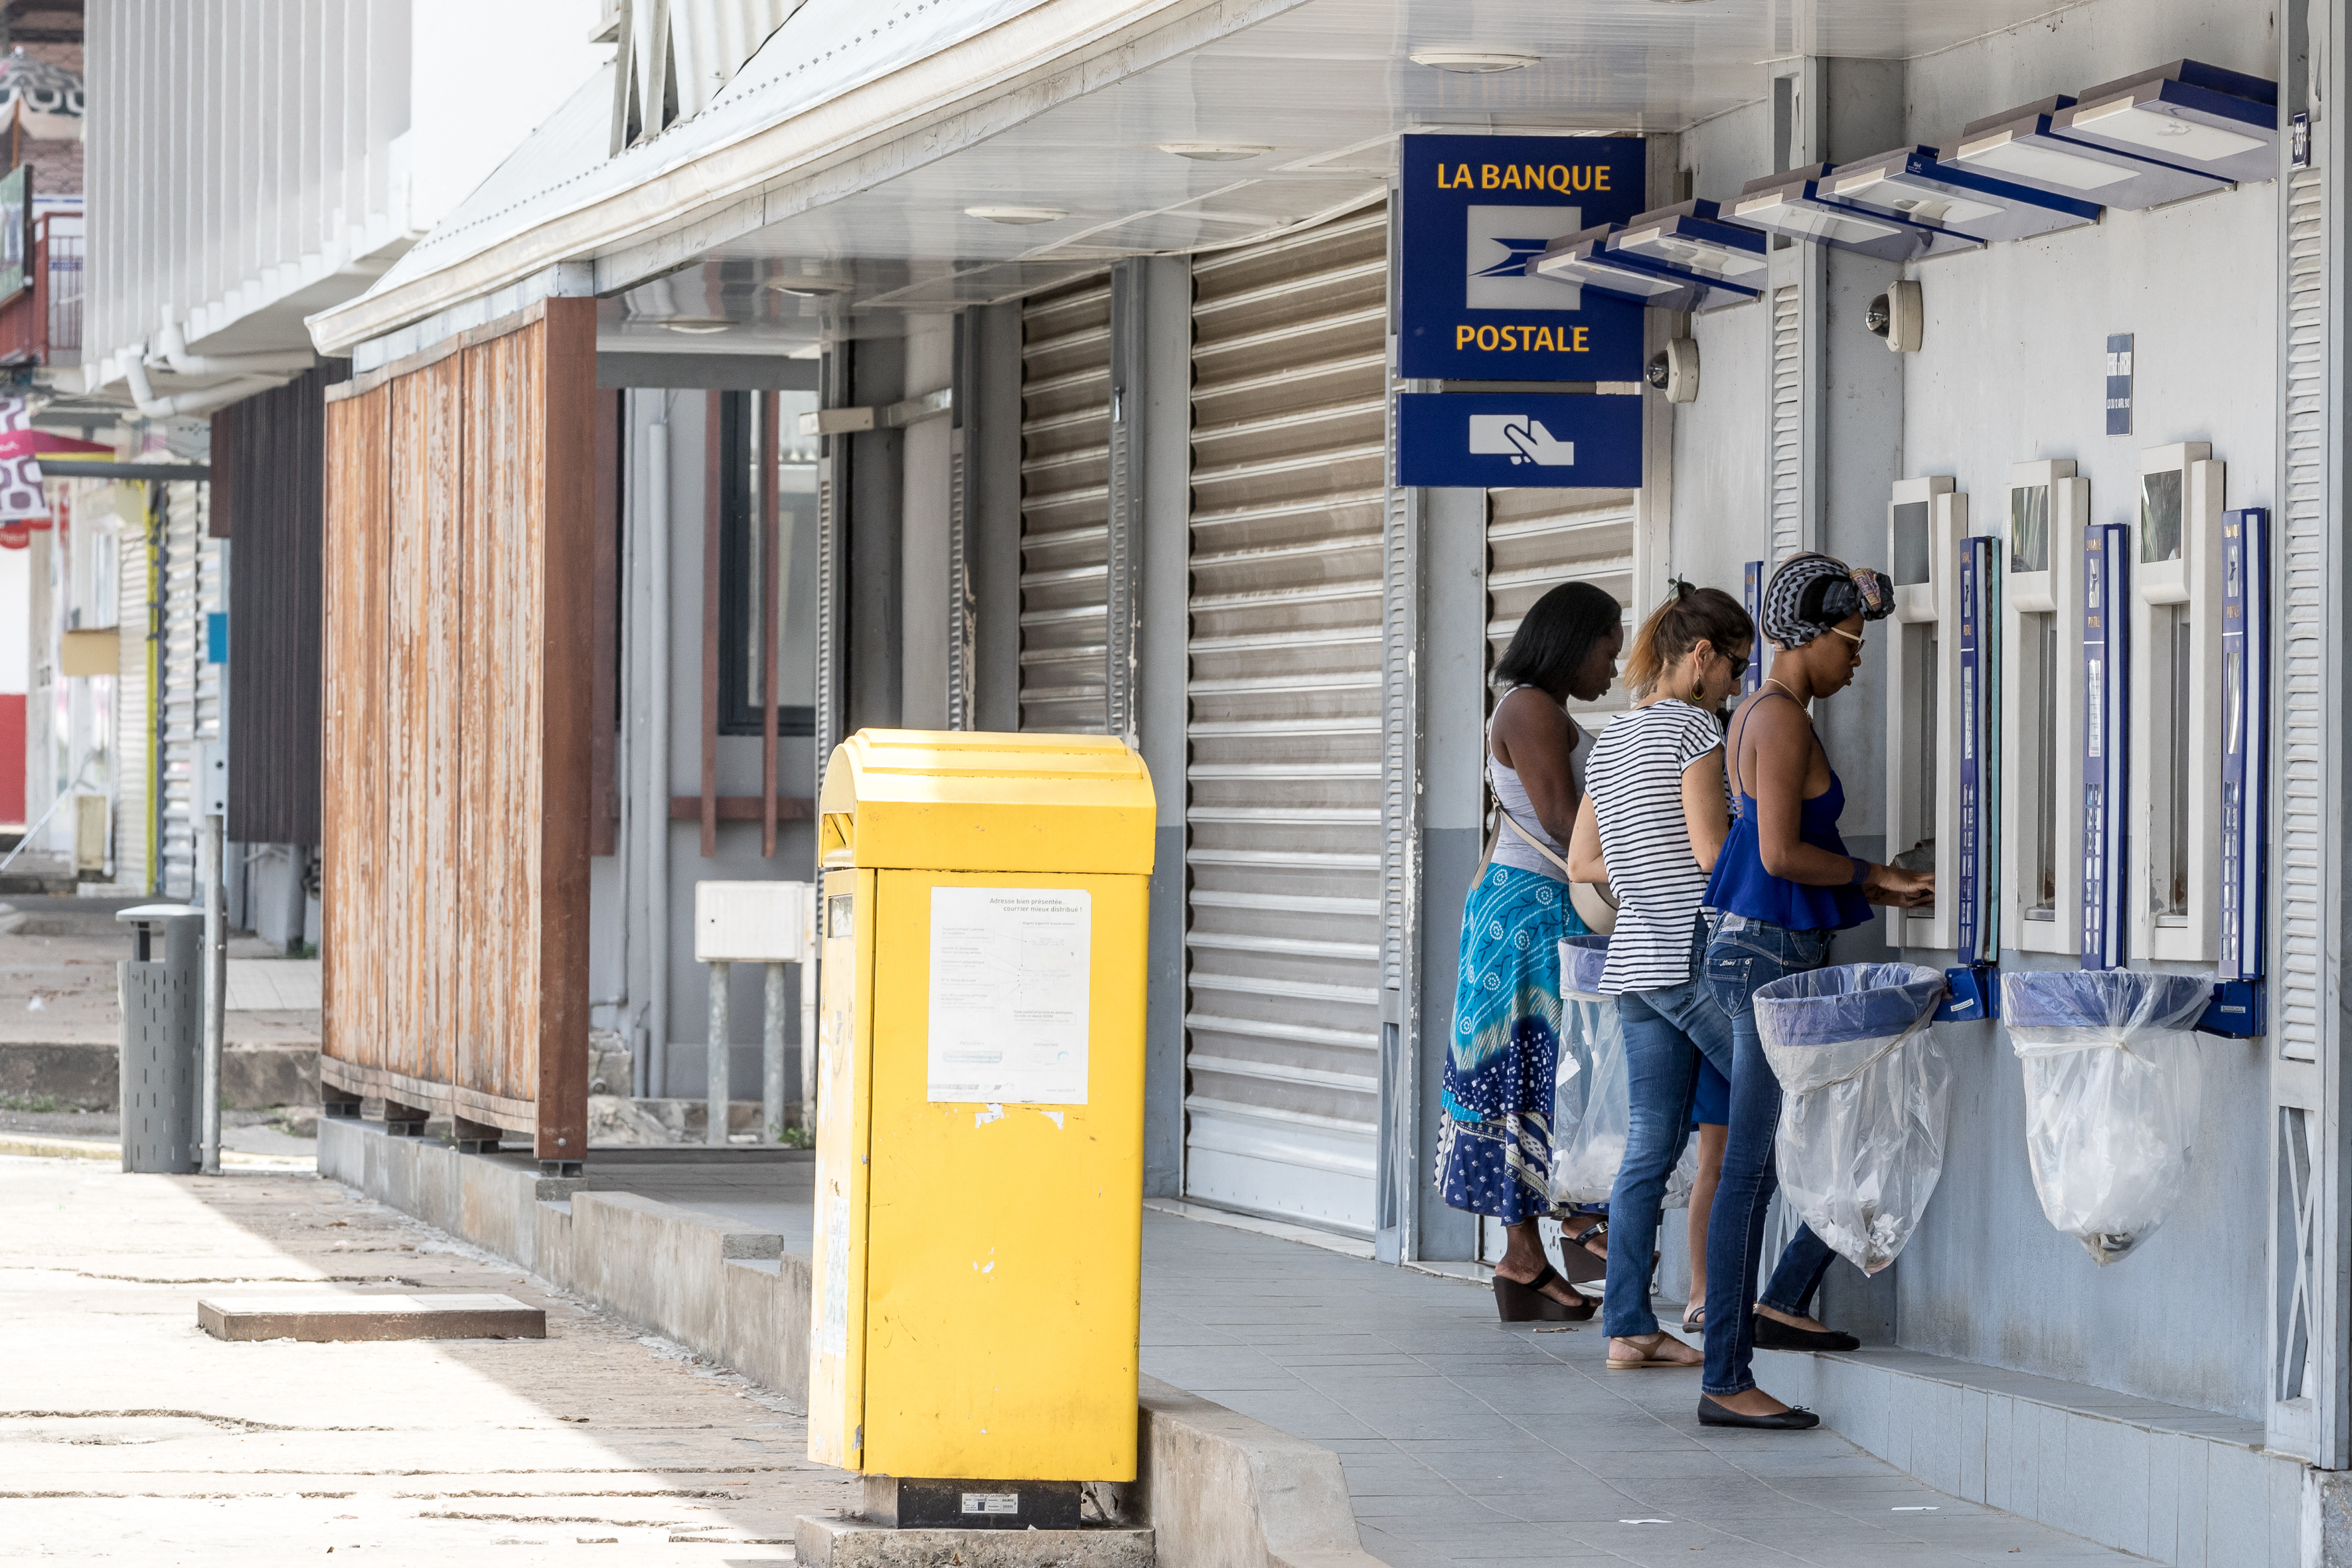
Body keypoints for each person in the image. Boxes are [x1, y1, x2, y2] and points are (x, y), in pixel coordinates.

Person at [1696, 553, 1933, 1430]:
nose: (1856, 659)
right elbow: (1777, 856)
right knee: (1750, 1174)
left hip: (1747, 946)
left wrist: (1872, 886)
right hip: (1768, 954)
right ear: (1810, 635)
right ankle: (1725, 1376)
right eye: (1851, 640)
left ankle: (1779, 1299)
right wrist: (1877, 876)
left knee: (1773, 1160)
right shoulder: (1783, 719)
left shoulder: (1754, 711)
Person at [1565, 582, 1750, 1371]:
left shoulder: (1611, 739)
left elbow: (1585, 862)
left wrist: (1644, 868)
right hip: (1691, 957)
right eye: (1735, 667)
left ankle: (1629, 1325)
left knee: (1650, 1148)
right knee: (1773, 1098)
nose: (1738, 685)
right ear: (1701, 657)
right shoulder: (1694, 729)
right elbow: (1712, 855)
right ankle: (1748, 1301)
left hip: (1634, 962)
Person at [1439, 580, 1626, 1323]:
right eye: (1607, 651)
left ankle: (1529, 1256)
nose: (1612, 669)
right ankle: (1538, 1246)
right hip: (1527, 919)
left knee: (1534, 1076)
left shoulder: (1537, 708)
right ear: (1574, 644)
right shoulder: (1531, 709)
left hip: (1521, 913)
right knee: (1529, 1075)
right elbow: (1560, 820)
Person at [1682, 1061, 1729, 1331]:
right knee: (1717, 1153)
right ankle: (1700, 1290)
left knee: (1745, 1159)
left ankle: (1722, 1288)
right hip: (1716, 1025)